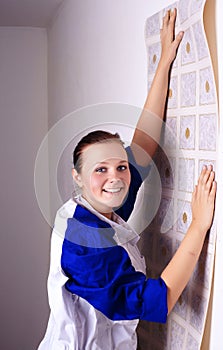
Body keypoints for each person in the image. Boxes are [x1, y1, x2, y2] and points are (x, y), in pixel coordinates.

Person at [37, 9, 216, 350]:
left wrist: (165, 61)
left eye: (120, 166)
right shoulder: (83, 242)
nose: (116, 178)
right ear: (77, 176)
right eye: (99, 170)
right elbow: (157, 301)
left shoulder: (98, 203)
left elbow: (144, 145)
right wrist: (198, 226)